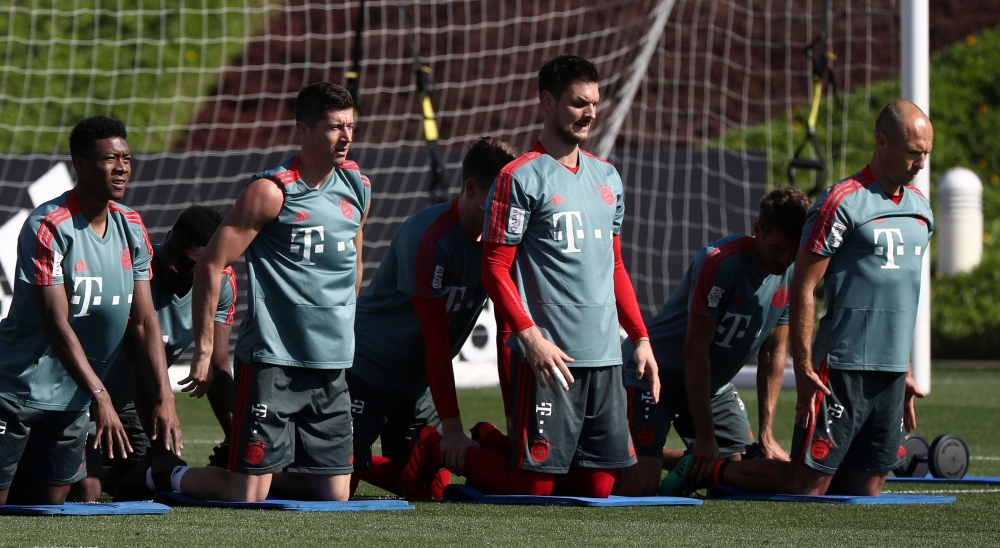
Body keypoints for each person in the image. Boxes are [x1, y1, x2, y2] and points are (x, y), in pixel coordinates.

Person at [406, 55, 659, 498]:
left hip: (604, 358)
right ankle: (440, 447)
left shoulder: (608, 178)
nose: (591, 113)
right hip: (548, 358)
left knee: (597, 488)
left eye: (595, 103)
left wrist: (640, 336)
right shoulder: (518, 177)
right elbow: (494, 267)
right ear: (547, 102)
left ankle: (487, 436)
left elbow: (615, 265)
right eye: (579, 102)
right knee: (535, 491)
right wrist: (530, 337)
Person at [661, 100, 933, 497]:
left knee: (867, 488)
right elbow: (803, 287)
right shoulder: (841, 202)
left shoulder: (921, 210)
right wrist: (804, 367)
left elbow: (905, 292)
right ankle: (711, 472)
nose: (921, 164)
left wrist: (905, 367)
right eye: (913, 153)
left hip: (890, 371)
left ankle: (712, 466)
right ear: (882, 142)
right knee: (807, 486)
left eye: (926, 154)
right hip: (842, 366)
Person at [137, 82, 370, 502]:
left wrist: (345, 320)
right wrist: (204, 349)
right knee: (246, 497)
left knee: (335, 496)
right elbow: (211, 263)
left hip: (332, 364)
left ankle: (248, 468)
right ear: (303, 129)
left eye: (351, 126)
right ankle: (166, 475)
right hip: (272, 363)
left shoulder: (357, 186)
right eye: (336, 127)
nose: (347, 137)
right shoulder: (270, 191)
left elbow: (355, 258)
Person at [0, 116, 181, 505]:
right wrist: (101, 394)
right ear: (80, 165)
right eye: (109, 159)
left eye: (127, 158)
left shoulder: (131, 225)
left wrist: (165, 397)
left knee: (47, 512)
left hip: (71, 400)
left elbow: (146, 320)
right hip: (14, 390)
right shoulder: (48, 224)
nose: (122, 168)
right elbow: (55, 322)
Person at [611, 188, 810, 496]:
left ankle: (678, 461)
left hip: (711, 388)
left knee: (741, 465)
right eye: (778, 248)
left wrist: (767, 434)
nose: (784, 260)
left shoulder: (793, 271)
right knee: (639, 489)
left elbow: (773, 353)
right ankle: (625, 453)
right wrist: (705, 436)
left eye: (793, 251)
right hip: (654, 378)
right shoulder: (719, 262)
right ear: (758, 230)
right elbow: (695, 351)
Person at [349, 137, 518, 500]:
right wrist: (453, 429)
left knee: (432, 493)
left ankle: (435, 445)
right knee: (333, 484)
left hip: (416, 385)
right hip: (366, 372)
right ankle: (344, 459)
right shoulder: (428, 236)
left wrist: (513, 417)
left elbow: (507, 337)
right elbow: (435, 341)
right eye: (499, 203)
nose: (506, 214)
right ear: (471, 189)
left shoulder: (502, 241)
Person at [75, 206, 237, 502]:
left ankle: (95, 470)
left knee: (142, 479)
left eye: (187, 263)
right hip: (84, 399)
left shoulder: (223, 284)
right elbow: (138, 362)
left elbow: (219, 364)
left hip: (126, 404)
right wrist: (162, 449)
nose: (171, 264)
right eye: (170, 250)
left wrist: (236, 439)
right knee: (88, 491)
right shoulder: (138, 272)